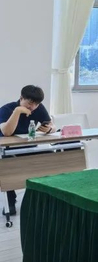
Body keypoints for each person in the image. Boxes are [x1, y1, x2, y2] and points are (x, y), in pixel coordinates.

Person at [0, 85, 54, 216]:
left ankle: (42, 196)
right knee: (7, 164)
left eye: (36, 104)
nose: (32, 107)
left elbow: (50, 124)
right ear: (21, 98)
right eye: (30, 103)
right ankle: (10, 200)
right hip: (6, 149)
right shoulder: (7, 109)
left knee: (50, 156)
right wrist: (18, 111)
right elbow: (7, 132)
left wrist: (49, 129)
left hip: (28, 147)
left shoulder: (39, 108)